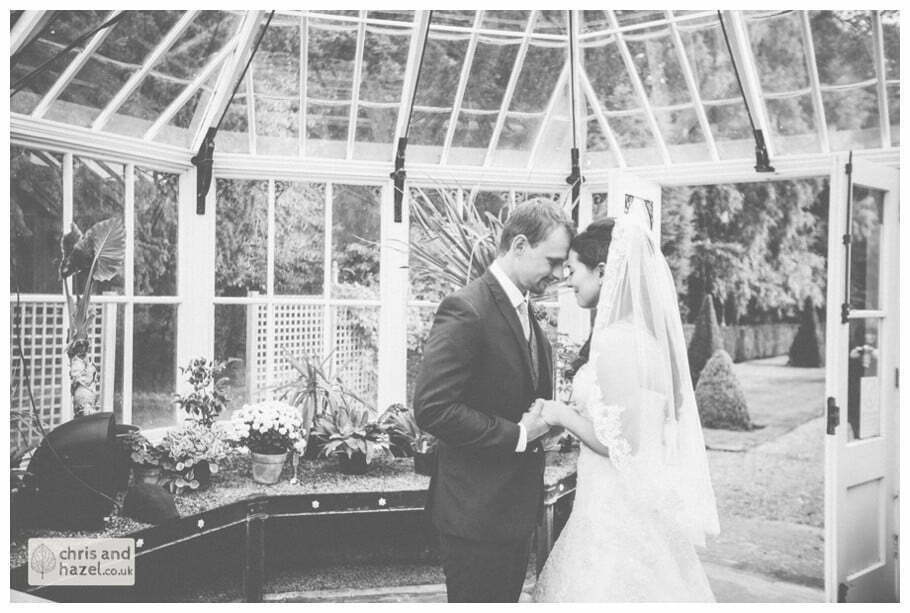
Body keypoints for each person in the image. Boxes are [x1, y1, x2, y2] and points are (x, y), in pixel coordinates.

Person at [532, 215, 720, 602]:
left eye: (572, 269)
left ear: (602, 271)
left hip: (614, 510)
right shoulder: (644, 339)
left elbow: (619, 443)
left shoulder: (619, 342)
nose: (567, 280)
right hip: (632, 500)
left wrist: (559, 413)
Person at [413, 199, 574, 603]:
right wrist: (519, 434)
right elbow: (433, 407)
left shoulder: (524, 308)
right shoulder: (467, 308)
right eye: (552, 261)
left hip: (513, 515)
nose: (558, 274)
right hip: (475, 518)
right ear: (519, 245)